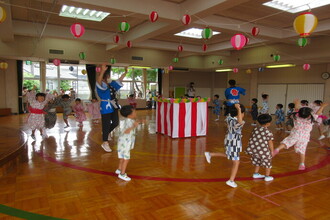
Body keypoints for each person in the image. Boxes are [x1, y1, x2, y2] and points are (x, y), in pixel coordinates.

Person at [273, 100, 328, 170]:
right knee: (302, 151)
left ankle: (277, 149)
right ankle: (302, 164)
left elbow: (296, 109)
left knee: (286, 142)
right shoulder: (310, 119)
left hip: (295, 134)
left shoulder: (296, 117)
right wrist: (322, 106)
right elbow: (318, 113)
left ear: (299, 113)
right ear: (309, 115)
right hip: (304, 138)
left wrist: (296, 103)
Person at [204, 104, 245, 188]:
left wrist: (237, 108)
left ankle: (210, 154)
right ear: (239, 114)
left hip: (229, 140)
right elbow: (240, 122)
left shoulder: (229, 118)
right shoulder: (237, 122)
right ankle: (231, 180)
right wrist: (239, 109)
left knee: (229, 155)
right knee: (236, 162)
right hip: (234, 143)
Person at [96, 64, 127, 152]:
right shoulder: (100, 86)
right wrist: (102, 71)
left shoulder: (111, 85)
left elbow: (120, 79)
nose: (110, 77)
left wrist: (125, 72)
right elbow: (98, 80)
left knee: (116, 122)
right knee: (105, 124)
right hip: (105, 107)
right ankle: (105, 142)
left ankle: (107, 132)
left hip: (113, 106)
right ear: (104, 77)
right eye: (108, 75)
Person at [115, 105, 144, 181]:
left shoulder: (127, 120)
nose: (136, 112)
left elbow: (134, 123)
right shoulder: (129, 122)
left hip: (122, 142)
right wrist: (134, 126)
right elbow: (127, 131)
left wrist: (139, 122)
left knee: (121, 157)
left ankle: (119, 169)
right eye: (134, 112)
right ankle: (122, 174)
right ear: (130, 114)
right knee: (126, 158)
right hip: (126, 143)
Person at [245, 114, 274, 182]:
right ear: (268, 123)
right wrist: (272, 151)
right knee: (267, 163)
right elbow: (270, 142)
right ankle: (267, 176)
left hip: (254, 149)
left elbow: (251, 137)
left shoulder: (255, 129)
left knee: (257, 161)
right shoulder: (268, 132)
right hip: (263, 151)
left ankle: (256, 173)